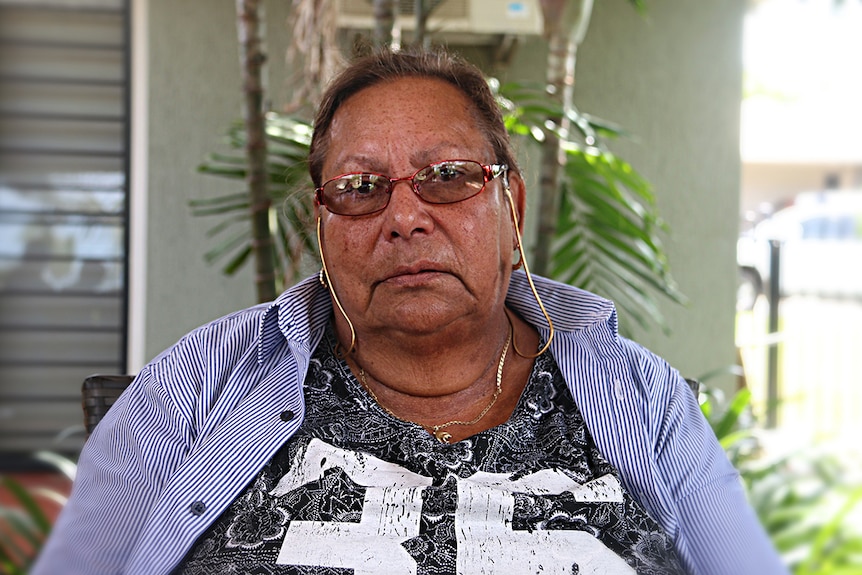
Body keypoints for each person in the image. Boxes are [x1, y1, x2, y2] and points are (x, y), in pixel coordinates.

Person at [34, 48, 786, 575]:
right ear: (319, 228)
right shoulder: (198, 382)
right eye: (361, 187)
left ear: (509, 206)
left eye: (448, 177)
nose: (404, 217)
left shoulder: (641, 397)